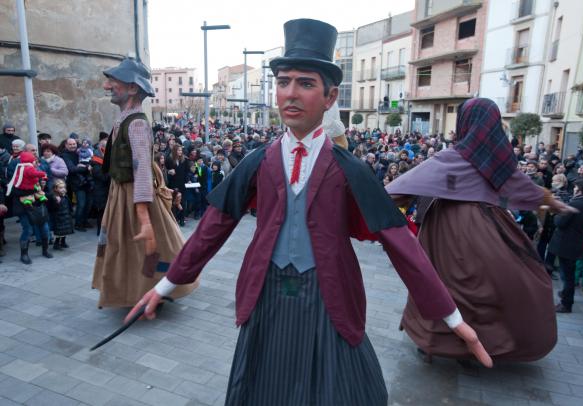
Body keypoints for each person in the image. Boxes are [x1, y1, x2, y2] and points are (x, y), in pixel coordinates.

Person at [128, 19, 491, 406]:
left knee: (342, 389)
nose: (290, 93)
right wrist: (165, 286)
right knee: (265, 385)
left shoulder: (350, 167)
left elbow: (401, 244)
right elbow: (211, 230)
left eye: (305, 83)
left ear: (330, 96)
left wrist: (452, 317)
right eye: (283, 82)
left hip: (328, 294)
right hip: (267, 292)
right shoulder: (256, 162)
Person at [386, 98, 573, 362]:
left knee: (440, 283)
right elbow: (525, 188)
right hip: (489, 230)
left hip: (444, 233)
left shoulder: (450, 157)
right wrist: (554, 203)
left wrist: (372, 207)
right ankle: (483, 343)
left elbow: (402, 187)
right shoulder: (500, 161)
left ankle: (433, 341)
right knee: (489, 288)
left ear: (465, 123)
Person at [92, 58, 198, 308]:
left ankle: (156, 287)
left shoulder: (137, 123)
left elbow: (141, 171)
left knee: (146, 245)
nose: (107, 87)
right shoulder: (124, 119)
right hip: (121, 192)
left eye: (114, 82)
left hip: (133, 194)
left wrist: (144, 217)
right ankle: (134, 288)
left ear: (132, 89)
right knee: (125, 245)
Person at [550, 178, 583, 313]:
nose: (574, 189)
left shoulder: (576, 203)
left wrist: (557, 211)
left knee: (567, 277)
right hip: (575, 243)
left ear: (580, 189)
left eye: (576, 187)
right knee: (568, 275)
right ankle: (565, 296)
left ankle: (566, 303)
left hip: (566, 244)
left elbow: (559, 222)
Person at [47, 179, 73, 250]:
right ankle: (56, 243)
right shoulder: (54, 197)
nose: (63, 189)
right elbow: (51, 208)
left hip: (66, 215)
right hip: (59, 217)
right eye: (60, 188)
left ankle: (63, 242)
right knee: (59, 232)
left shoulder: (65, 195)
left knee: (66, 230)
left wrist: (70, 211)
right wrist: (57, 202)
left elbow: (68, 204)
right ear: (55, 188)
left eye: (64, 187)